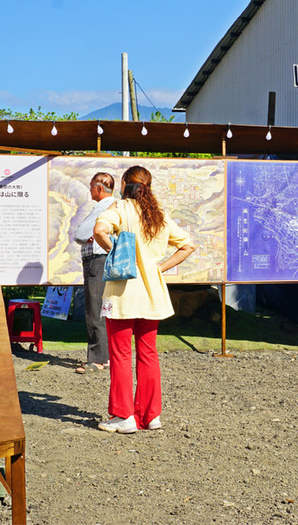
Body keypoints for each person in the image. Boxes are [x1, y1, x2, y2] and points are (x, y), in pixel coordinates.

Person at [93, 166, 195, 434]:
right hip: (152, 293)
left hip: (123, 292)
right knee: (148, 353)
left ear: (124, 184)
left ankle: (123, 416)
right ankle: (150, 416)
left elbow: (100, 230)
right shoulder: (159, 215)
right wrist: (159, 268)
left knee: (120, 354)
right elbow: (188, 245)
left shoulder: (120, 208)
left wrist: (117, 252)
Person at [73, 172, 116, 373]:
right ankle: (105, 356)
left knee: (95, 308)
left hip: (97, 261)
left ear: (99, 188)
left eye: (91, 187)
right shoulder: (116, 206)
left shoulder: (103, 207)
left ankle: (99, 359)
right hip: (104, 260)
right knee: (102, 309)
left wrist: (91, 234)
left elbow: (81, 233)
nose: (90, 191)